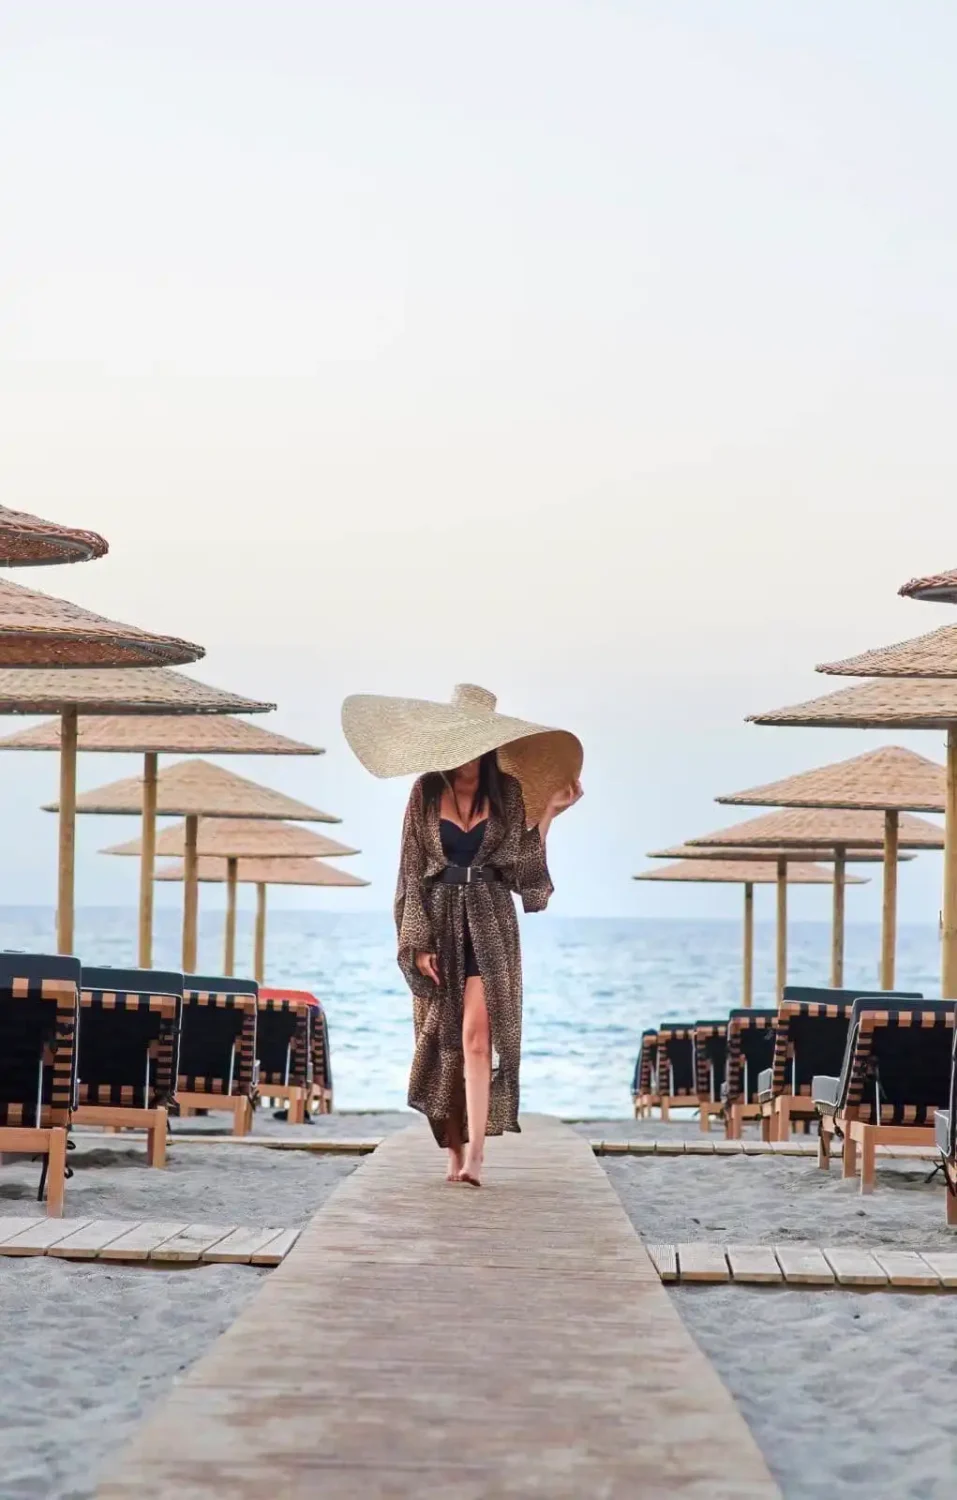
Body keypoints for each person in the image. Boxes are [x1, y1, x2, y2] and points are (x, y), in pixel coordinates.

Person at [341, 682, 583, 1186]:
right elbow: (410, 870)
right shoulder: (426, 791)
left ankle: (475, 1156)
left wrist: (551, 815)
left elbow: (523, 870)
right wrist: (417, 940)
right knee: (443, 1040)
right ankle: (451, 1149)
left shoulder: (509, 792)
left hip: (491, 920)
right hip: (439, 917)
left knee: (478, 1037)